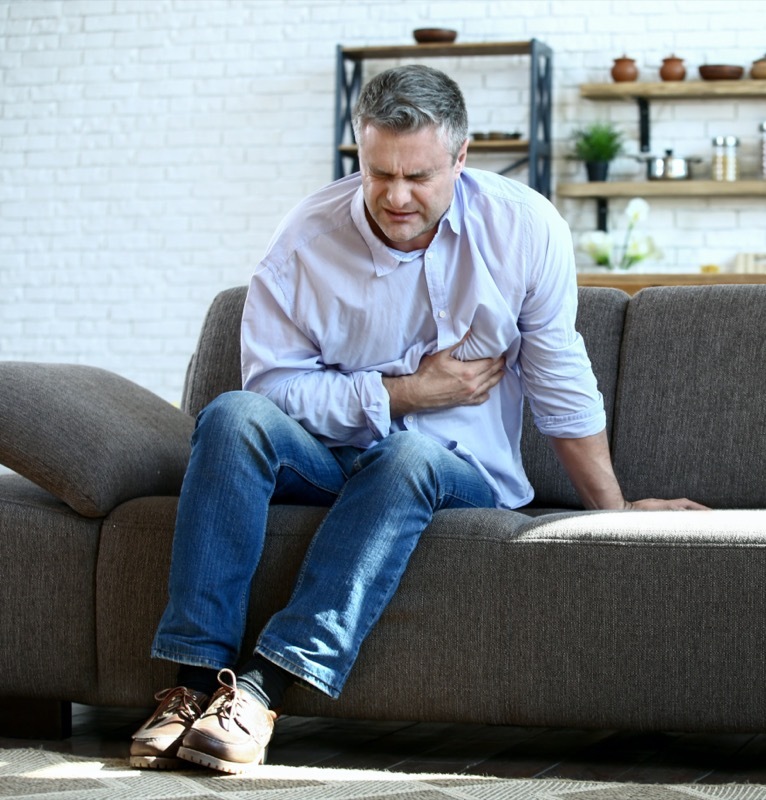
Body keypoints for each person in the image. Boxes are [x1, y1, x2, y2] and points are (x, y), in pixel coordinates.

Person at [128, 64, 706, 775]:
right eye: (379, 173)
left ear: (462, 159)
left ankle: (259, 691)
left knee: (405, 458)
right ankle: (189, 687)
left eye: (420, 176)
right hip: (328, 462)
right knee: (230, 417)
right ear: (360, 154)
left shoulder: (522, 228)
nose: (396, 197)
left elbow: (559, 377)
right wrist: (401, 394)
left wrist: (611, 512)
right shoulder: (306, 239)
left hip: (454, 472)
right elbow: (272, 388)